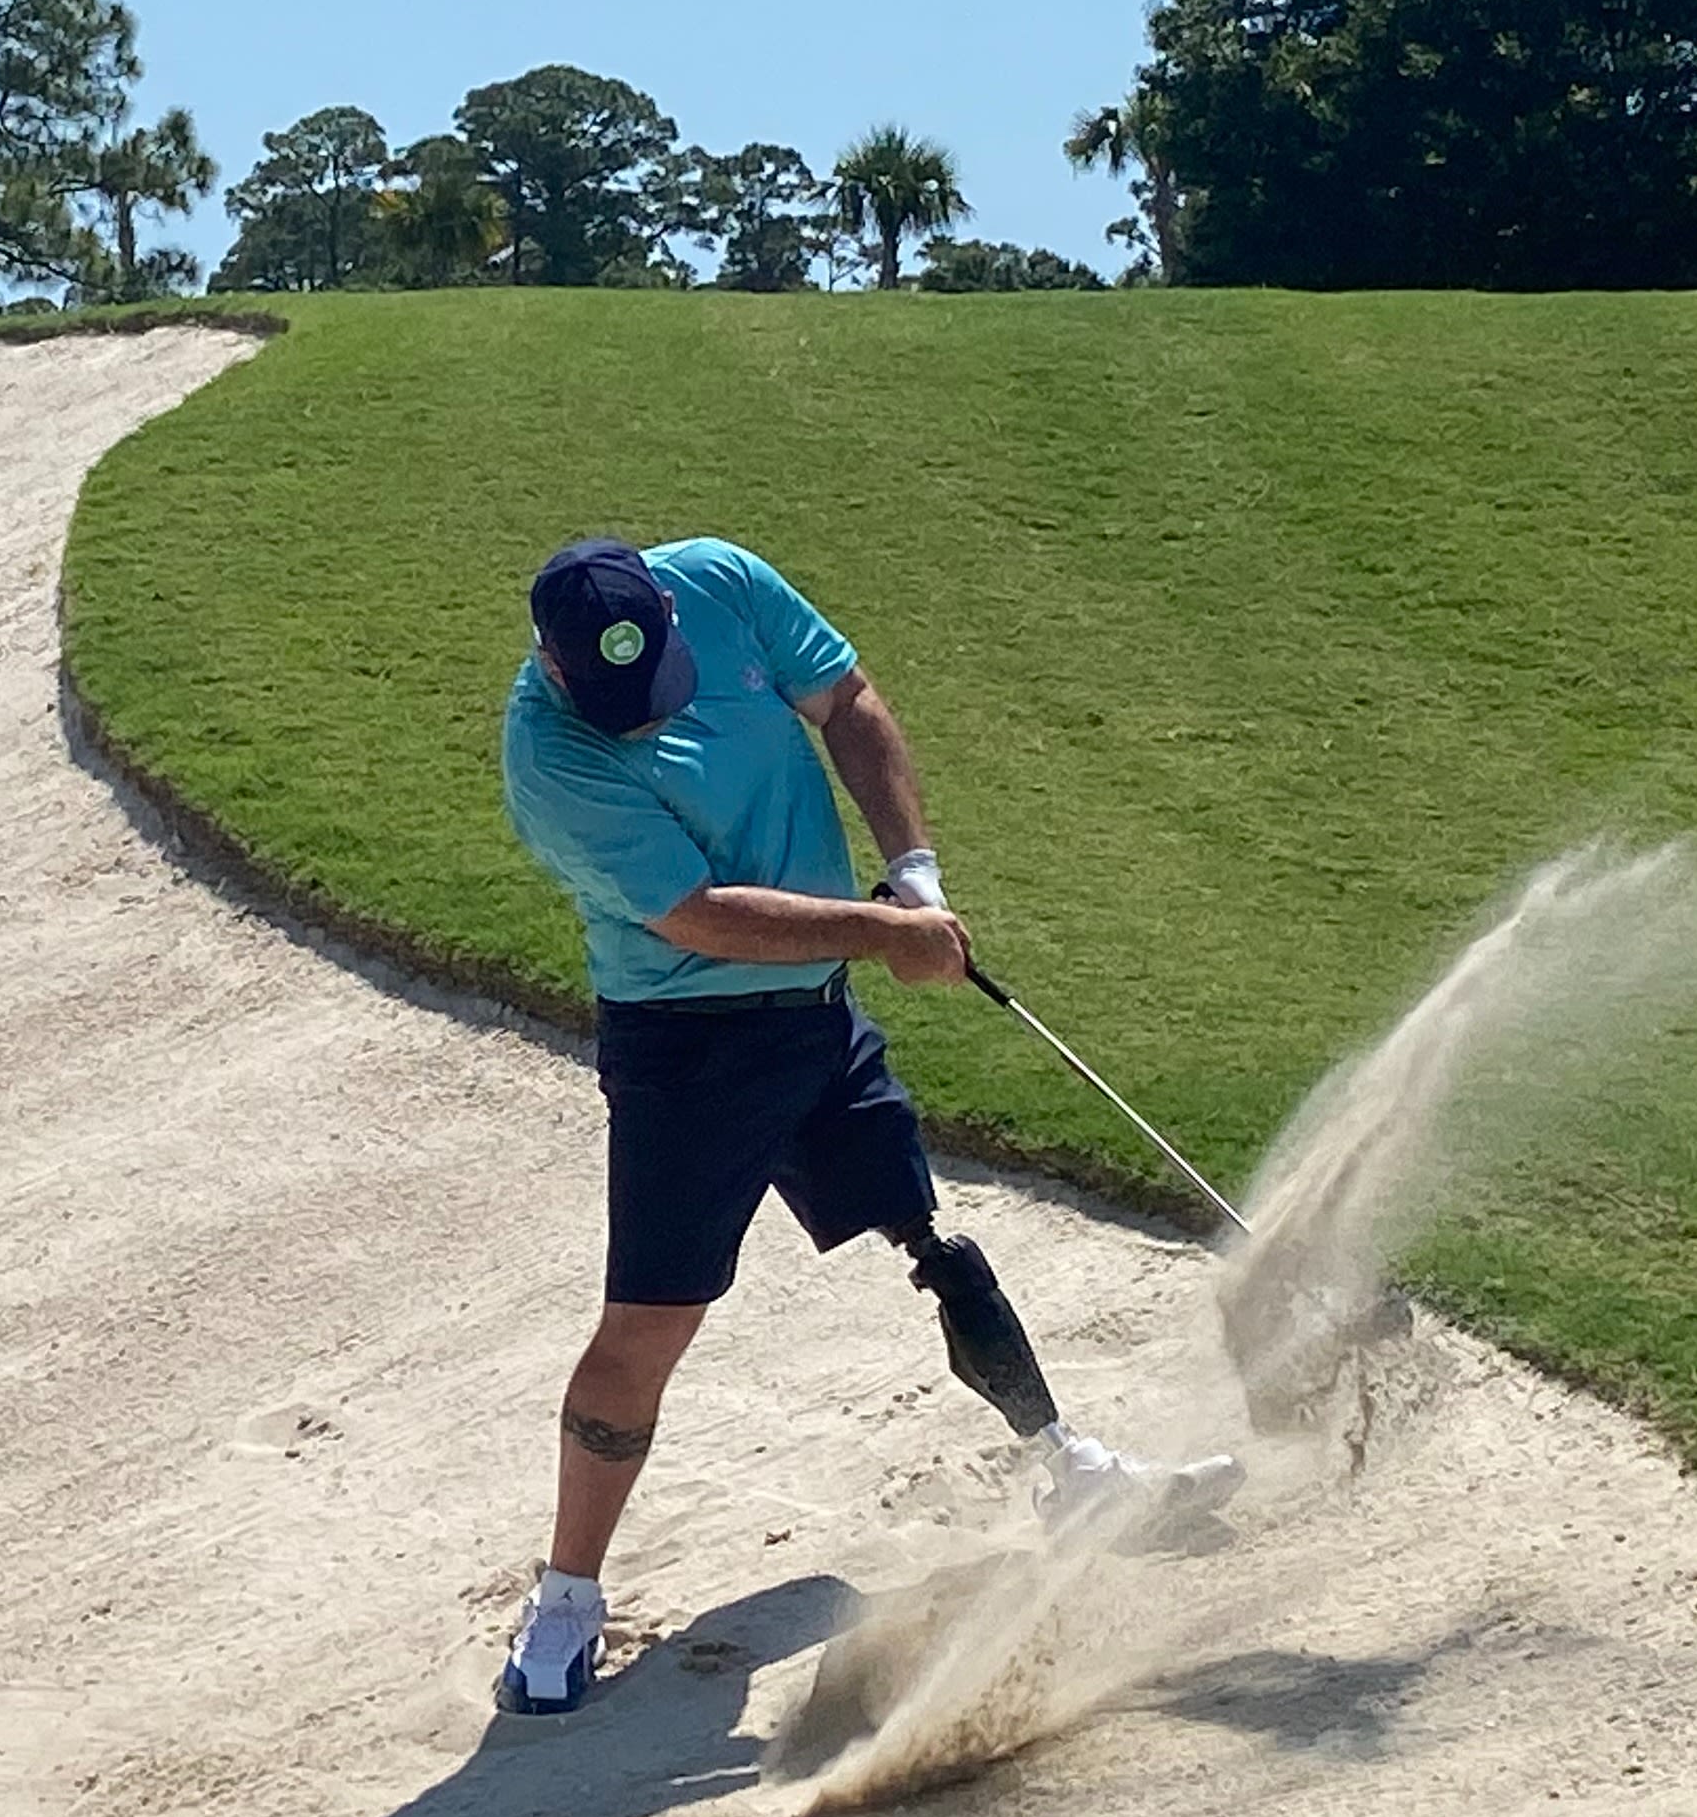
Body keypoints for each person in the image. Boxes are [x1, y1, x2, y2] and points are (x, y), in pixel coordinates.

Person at [492, 535, 1233, 1716]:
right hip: (688, 1054)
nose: (645, 719)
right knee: (644, 1330)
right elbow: (696, 916)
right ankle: (570, 1594)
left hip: (816, 1021)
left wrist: (915, 874)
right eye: (618, 704)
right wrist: (882, 934)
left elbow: (847, 701)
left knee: (925, 1234)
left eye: (659, 691)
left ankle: (1068, 1467)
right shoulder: (548, 755)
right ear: (555, 664)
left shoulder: (723, 584)